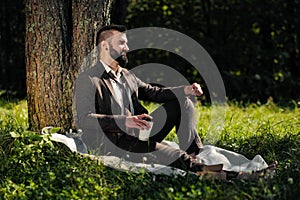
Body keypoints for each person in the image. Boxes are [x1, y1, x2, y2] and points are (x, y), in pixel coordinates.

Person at [74, 25, 276, 177]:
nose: (127, 47)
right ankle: (239, 177)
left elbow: (152, 92)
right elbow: (84, 119)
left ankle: (194, 154)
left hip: (141, 131)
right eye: (122, 43)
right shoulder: (88, 78)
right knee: (175, 156)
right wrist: (123, 121)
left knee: (183, 102)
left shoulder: (126, 74)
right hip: (116, 142)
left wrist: (186, 90)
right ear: (104, 46)